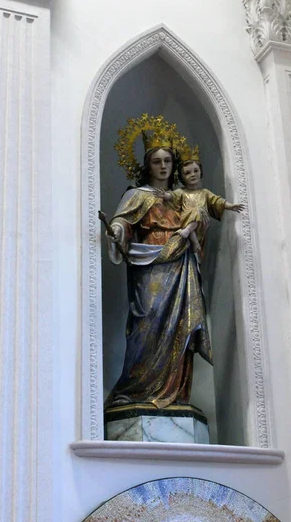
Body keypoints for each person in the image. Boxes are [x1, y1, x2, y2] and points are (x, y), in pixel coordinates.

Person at [105, 139, 213, 410]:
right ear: (148, 165)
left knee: (179, 323)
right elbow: (123, 221)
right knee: (148, 318)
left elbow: (199, 221)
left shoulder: (181, 197)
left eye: (168, 161)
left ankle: (174, 393)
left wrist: (199, 224)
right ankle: (135, 389)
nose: (163, 166)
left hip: (181, 262)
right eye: (157, 161)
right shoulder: (137, 194)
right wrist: (118, 229)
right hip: (149, 261)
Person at [154, 153, 244, 256]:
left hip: (201, 224)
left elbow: (217, 201)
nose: (193, 174)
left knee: (199, 211)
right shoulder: (182, 192)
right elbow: (173, 196)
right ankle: (194, 241)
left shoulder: (204, 192)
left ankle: (192, 237)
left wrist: (230, 206)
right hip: (186, 221)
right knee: (196, 212)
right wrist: (165, 195)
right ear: (182, 177)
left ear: (200, 172)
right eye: (187, 173)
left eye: (196, 171)